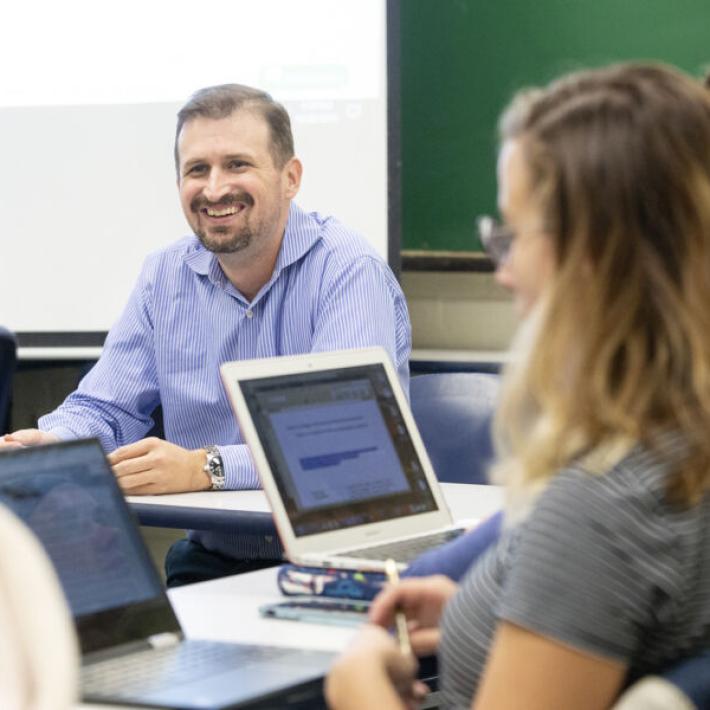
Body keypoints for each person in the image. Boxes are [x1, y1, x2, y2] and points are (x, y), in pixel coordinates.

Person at [326, 62, 710, 709]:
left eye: (510, 235)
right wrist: (504, 611)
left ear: (590, 254)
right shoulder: (678, 450)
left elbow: (600, 556)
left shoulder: (603, 504)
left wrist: (357, 685)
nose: (501, 271)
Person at [0, 84, 411, 586]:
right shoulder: (164, 275)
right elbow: (106, 408)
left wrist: (208, 467)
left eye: (237, 164)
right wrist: (54, 442)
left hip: (344, 565)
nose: (215, 189)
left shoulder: (348, 271)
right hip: (213, 562)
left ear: (291, 178)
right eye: (197, 170)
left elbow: (344, 445)